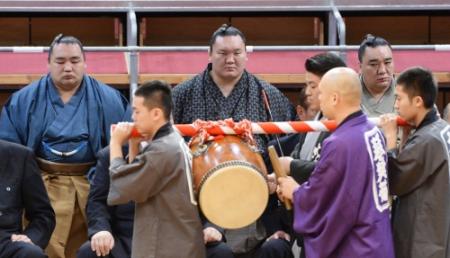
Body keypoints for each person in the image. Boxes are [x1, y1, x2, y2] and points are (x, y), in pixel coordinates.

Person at [0, 34, 129, 258]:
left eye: (74, 61)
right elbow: (10, 155)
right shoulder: (23, 100)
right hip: (39, 186)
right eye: (60, 62)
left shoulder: (110, 99)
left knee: (91, 249)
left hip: (92, 184)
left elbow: (123, 151)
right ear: (49, 63)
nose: (68, 67)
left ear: (85, 62)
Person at [172, 24, 295, 258]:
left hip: (257, 199)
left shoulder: (267, 94)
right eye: (223, 53)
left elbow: (286, 147)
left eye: (237, 53)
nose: (231, 60)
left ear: (246, 54)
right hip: (200, 203)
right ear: (209, 54)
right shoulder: (183, 93)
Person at [277, 67, 395, 258]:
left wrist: (295, 191)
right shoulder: (373, 133)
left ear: (334, 98)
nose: (317, 98)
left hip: (356, 246)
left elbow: (323, 197)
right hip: (377, 238)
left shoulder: (339, 143)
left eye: (321, 92)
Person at [108, 80, 206, 258]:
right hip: (178, 240)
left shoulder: (162, 149)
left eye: (137, 111)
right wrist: (133, 146)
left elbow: (125, 187)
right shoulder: (173, 140)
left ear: (155, 114)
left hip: (166, 246)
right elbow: (141, 188)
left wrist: (115, 143)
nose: (133, 118)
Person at [380, 67, 450, 258]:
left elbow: (393, 182)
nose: (395, 105)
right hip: (436, 237)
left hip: (423, 244)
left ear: (418, 101)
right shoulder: (442, 129)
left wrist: (390, 140)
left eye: (399, 98)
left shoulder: (427, 140)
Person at [0, 139, 55, 258]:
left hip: (5, 241)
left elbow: (43, 215)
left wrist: (30, 238)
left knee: (31, 254)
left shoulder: (20, 156)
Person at [76, 146, 134, 258]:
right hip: (123, 235)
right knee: (91, 251)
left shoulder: (173, 149)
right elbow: (98, 200)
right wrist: (101, 229)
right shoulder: (110, 154)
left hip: (164, 234)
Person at [359, 34, 396, 117]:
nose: (382, 71)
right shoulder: (347, 93)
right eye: (374, 64)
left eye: (387, 63)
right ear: (360, 67)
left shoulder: (410, 92)